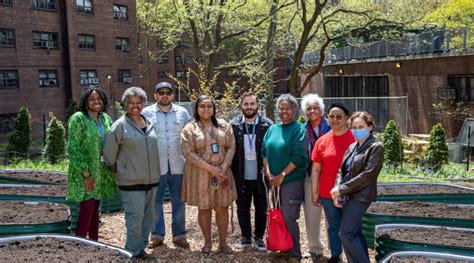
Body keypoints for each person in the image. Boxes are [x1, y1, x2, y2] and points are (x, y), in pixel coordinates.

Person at [103, 87, 160, 261]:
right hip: (131, 182)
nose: (135, 106)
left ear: (143, 104)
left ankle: (140, 249)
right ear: (125, 104)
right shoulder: (119, 126)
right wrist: (122, 170)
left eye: (138, 102)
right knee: (134, 221)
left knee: (147, 219)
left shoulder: (149, 123)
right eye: (131, 103)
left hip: (151, 181)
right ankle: (131, 253)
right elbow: (108, 155)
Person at [180, 95, 236, 254]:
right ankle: (207, 243)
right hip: (200, 175)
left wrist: (224, 166)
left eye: (209, 106)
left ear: (213, 108)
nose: (206, 109)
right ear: (197, 109)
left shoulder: (224, 125)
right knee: (204, 208)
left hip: (222, 174)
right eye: (202, 106)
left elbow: (231, 146)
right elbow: (187, 152)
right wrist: (211, 169)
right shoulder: (190, 129)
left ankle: (223, 243)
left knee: (222, 207)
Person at [142, 82, 191, 249]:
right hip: (156, 165)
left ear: (172, 95)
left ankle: (179, 235)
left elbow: (190, 135)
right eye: (160, 92)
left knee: (179, 200)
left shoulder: (183, 113)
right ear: (155, 95)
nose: (164, 95)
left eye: (168, 93)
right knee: (156, 201)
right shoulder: (146, 113)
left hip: (178, 164)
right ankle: (156, 235)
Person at [330, 111, 384, 263]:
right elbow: (342, 170)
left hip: (361, 196)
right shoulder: (352, 146)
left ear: (370, 127)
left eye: (361, 127)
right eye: (353, 127)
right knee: (355, 233)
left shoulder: (375, 147)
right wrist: (338, 190)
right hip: (348, 195)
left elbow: (368, 175)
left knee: (346, 234)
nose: (357, 130)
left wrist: (341, 189)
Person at [67, 85, 117, 241]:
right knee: (87, 209)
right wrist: (86, 173)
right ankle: (80, 242)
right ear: (85, 101)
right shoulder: (79, 118)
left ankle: (94, 243)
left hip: (101, 171)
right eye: (92, 99)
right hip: (85, 172)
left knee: (95, 209)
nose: (96, 101)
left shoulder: (105, 118)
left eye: (99, 99)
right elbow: (74, 148)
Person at [261, 94, 308, 262]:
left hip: (291, 180)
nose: (284, 111)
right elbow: (264, 152)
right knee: (276, 215)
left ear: (294, 110)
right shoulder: (272, 129)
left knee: (288, 216)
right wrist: (268, 173)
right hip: (272, 181)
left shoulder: (298, 130)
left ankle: (294, 252)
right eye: (281, 108)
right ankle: (281, 245)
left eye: (288, 108)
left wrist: (282, 175)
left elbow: (299, 156)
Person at [311, 103, 355, 263]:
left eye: (339, 116)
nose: (335, 120)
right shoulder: (322, 141)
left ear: (346, 119)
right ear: (327, 118)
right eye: (331, 116)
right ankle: (336, 255)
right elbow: (316, 169)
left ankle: (354, 255)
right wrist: (314, 192)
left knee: (350, 227)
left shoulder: (355, 139)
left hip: (352, 191)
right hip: (327, 192)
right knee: (334, 225)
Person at [230, 92, 273, 251]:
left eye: (252, 104)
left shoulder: (267, 125)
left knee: (261, 209)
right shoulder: (234, 126)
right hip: (240, 175)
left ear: (257, 106)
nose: (249, 107)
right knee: (242, 208)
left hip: (260, 175)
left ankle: (259, 237)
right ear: (241, 106)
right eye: (246, 104)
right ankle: (246, 237)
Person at [300, 94, 330, 259]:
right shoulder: (302, 130)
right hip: (310, 175)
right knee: (311, 212)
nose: (312, 111)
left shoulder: (331, 126)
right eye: (309, 108)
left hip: (331, 176)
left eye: (315, 107)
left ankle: (336, 250)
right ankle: (315, 247)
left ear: (321, 110)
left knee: (332, 214)